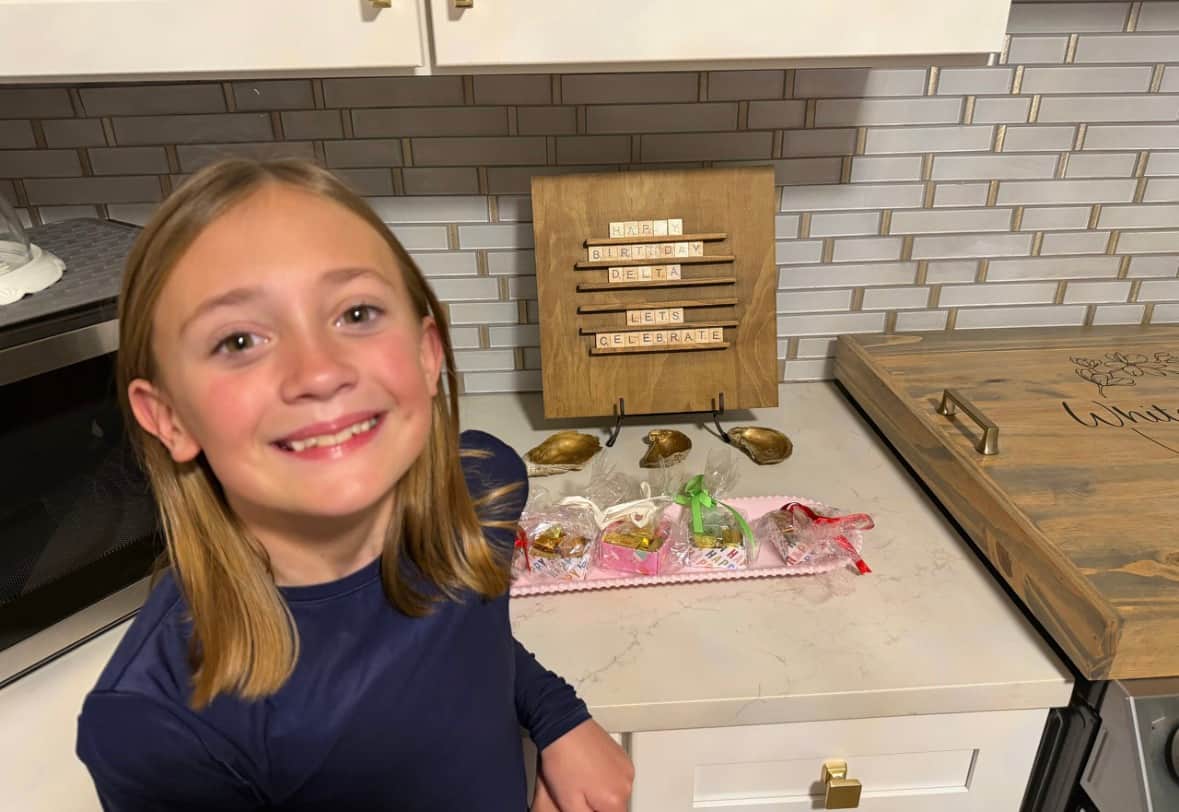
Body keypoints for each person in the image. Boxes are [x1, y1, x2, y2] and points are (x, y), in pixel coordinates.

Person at [75, 158, 633, 811]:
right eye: (238, 340)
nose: (317, 371)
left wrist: (556, 714)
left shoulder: (480, 491)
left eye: (357, 312)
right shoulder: (157, 719)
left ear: (427, 354)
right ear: (169, 417)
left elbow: (469, 636)